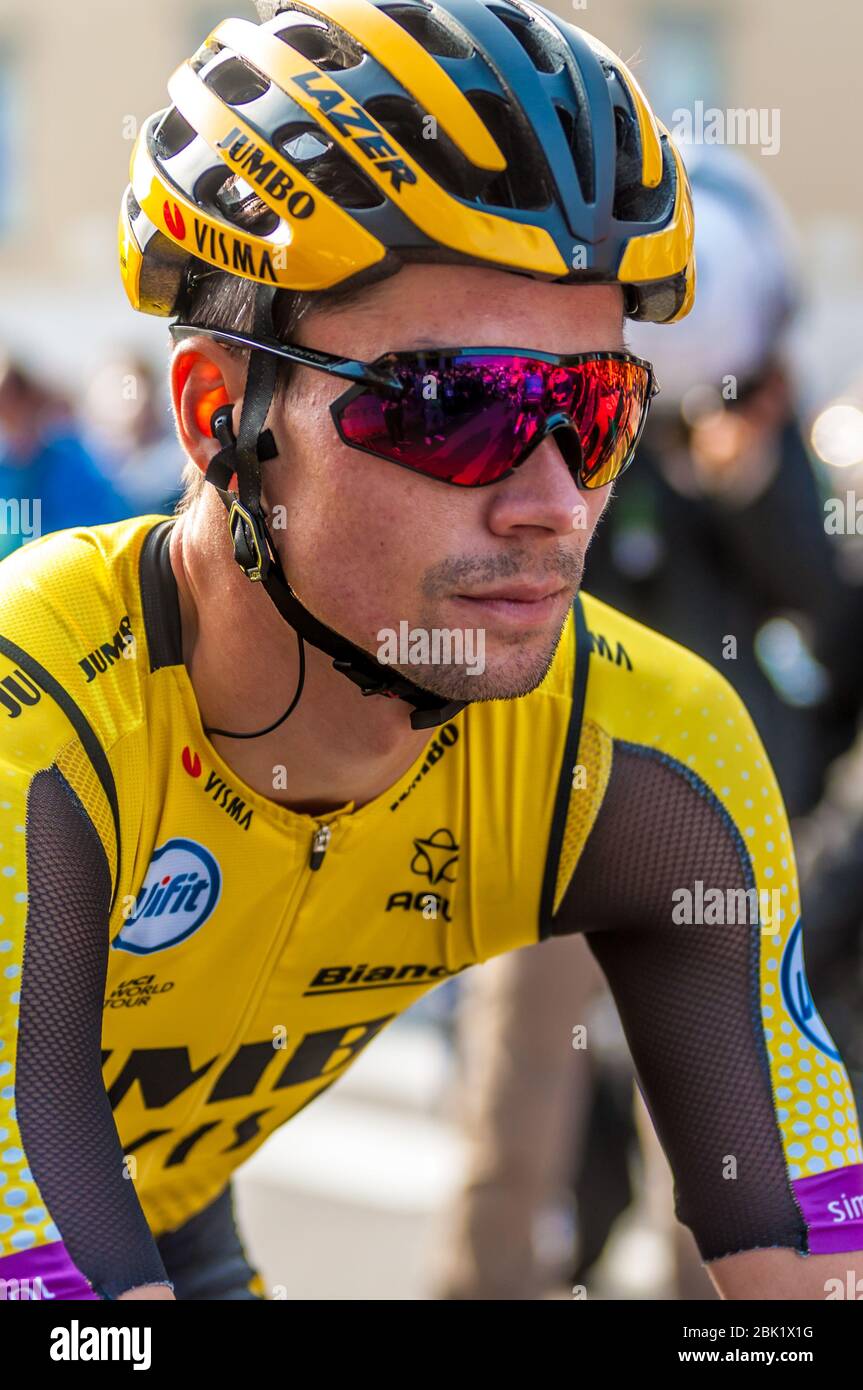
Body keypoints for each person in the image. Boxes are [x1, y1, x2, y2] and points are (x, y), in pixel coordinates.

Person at [0, 0, 860, 1304]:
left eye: (592, 409)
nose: (554, 501)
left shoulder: (655, 752)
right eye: (453, 407)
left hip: (153, 1205)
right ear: (218, 416)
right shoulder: (41, 725)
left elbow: (808, 1282)